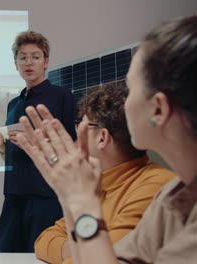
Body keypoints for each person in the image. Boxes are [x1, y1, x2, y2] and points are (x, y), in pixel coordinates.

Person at [16, 15, 197, 263]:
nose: (124, 100)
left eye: (131, 89)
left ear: (158, 110)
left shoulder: (156, 188)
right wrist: (74, 198)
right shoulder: (173, 196)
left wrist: (81, 204)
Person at [34, 84, 175, 263]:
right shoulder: (98, 182)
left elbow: (100, 260)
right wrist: (77, 250)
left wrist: (75, 249)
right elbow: (44, 240)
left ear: (102, 137)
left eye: (80, 126)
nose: (75, 135)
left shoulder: (154, 186)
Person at [0, 31, 77, 253]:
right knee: (4, 254)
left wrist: (35, 141)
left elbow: (73, 149)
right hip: (14, 195)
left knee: (41, 255)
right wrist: (1, 145)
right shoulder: (13, 104)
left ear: (46, 62)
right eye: (23, 57)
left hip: (46, 195)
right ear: (16, 63)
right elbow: (12, 156)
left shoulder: (62, 96)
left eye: (35, 57)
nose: (29, 62)